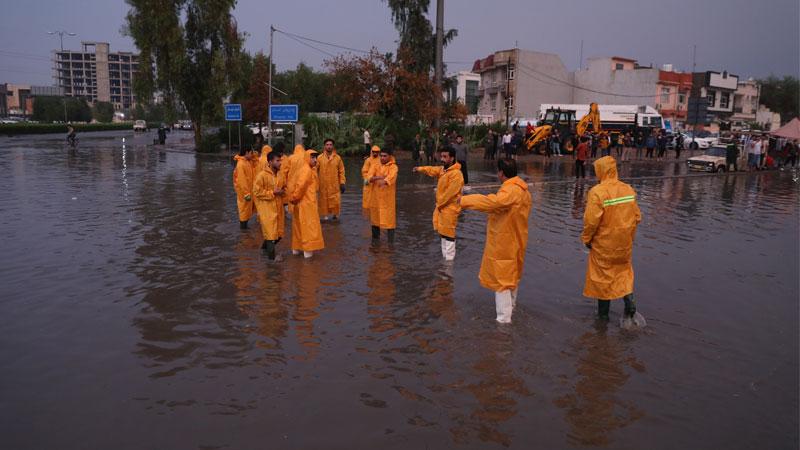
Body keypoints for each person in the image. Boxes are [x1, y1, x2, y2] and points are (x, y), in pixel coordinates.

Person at [460, 158, 531, 323]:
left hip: (505, 241)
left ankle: (504, 322)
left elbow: (493, 202)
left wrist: (464, 201)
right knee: (511, 276)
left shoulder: (510, 191)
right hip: (516, 239)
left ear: (501, 173)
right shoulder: (522, 190)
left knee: (502, 281)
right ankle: (511, 310)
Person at [581, 156, 642, 322]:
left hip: (604, 244)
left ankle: (603, 318)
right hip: (624, 244)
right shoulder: (628, 189)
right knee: (623, 273)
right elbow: (637, 217)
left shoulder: (597, 192)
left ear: (601, 171)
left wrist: (586, 239)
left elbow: (591, 222)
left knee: (603, 278)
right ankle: (630, 302)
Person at [413, 147, 464, 261]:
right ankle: (445, 263)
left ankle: (448, 266)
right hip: (442, 208)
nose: (442, 159)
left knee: (449, 236)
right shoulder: (443, 170)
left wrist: (439, 204)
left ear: (452, 158)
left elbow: (450, 194)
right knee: (443, 234)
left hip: (450, 209)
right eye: (441, 156)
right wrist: (420, 169)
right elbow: (431, 170)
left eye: (445, 157)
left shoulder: (456, 174)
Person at [290, 149, 325, 258]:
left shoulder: (305, 169)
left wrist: (294, 199)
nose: (315, 160)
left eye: (315, 157)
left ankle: (296, 251)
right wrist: (295, 198)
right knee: (308, 229)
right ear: (307, 158)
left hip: (301, 204)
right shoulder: (307, 170)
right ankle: (308, 257)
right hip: (306, 205)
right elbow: (300, 186)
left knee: (298, 228)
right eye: (312, 157)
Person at [253, 148, 285, 260]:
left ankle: (263, 251)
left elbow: (284, 188)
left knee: (279, 235)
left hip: (278, 209)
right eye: (277, 160)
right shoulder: (261, 175)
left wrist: (283, 192)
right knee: (271, 236)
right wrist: (273, 193)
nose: (280, 162)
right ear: (270, 162)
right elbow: (256, 192)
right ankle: (272, 265)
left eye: (280, 160)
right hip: (266, 210)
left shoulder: (280, 175)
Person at [368, 148, 398, 242]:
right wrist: (379, 177)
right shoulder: (375, 165)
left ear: (390, 156)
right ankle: (375, 244)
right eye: (381, 156)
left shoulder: (393, 167)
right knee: (375, 222)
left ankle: (390, 244)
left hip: (388, 200)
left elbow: (391, 178)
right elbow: (369, 178)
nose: (382, 158)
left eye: (385, 156)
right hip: (376, 198)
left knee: (390, 223)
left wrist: (383, 180)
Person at [317, 138, 346, 221]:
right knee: (323, 202)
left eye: (330, 145)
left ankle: (335, 217)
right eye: (327, 145)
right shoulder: (319, 158)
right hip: (323, 185)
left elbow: (341, 171)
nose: (329, 146)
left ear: (333, 146)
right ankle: (325, 218)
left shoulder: (338, 158)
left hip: (335, 185)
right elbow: (314, 171)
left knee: (335, 202)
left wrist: (342, 183)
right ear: (324, 146)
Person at [233, 147, 258, 229]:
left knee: (246, 211)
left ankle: (244, 231)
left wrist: (254, 155)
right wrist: (246, 193)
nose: (252, 154)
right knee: (243, 211)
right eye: (251, 153)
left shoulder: (247, 161)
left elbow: (255, 163)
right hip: (244, 192)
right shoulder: (241, 164)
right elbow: (242, 180)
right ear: (246, 152)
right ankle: (243, 230)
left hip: (247, 191)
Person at [361, 145, 381, 213]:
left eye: (377, 152)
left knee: (377, 201)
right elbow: (364, 171)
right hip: (369, 183)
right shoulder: (368, 160)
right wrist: (366, 179)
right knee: (367, 201)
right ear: (371, 152)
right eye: (374, 152)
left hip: (378, 182)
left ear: (379, 152)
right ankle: (366, 215)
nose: (375, 153)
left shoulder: (381, 160)